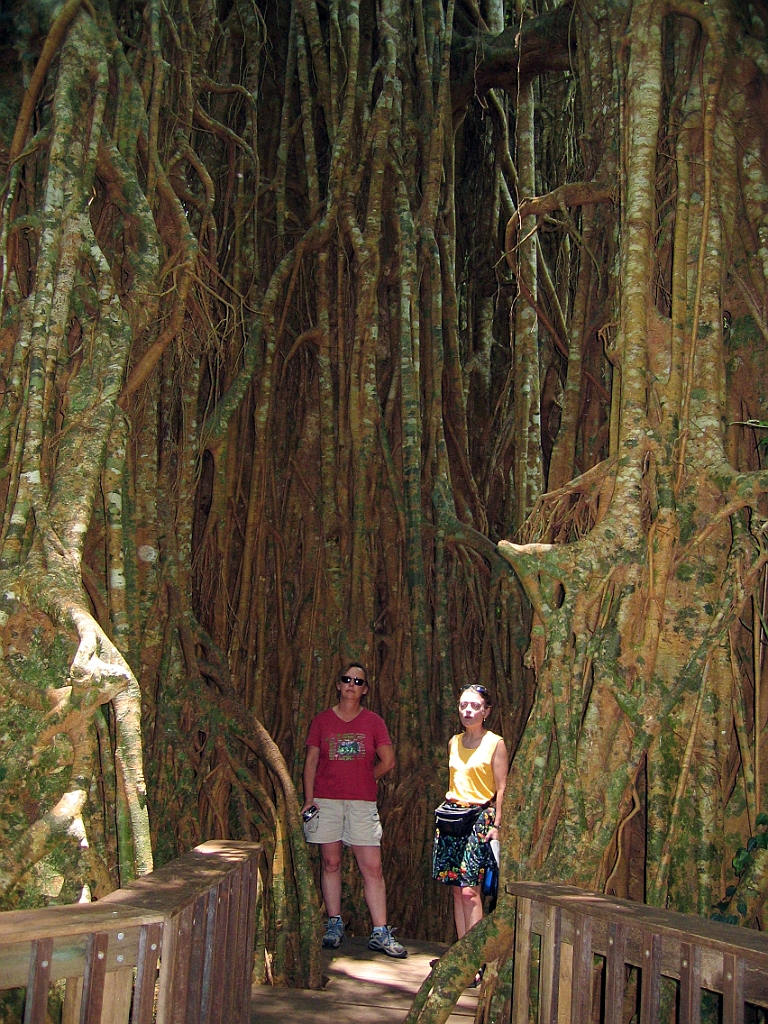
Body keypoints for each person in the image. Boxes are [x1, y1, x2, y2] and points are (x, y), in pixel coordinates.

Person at [302, 661, 407, 958]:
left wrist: (363, 778)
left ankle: (380, 930)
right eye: (346, 679)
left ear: (365, 690)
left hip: (362, 804)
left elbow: (388, 761)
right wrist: (310, 799)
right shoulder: (322, 721)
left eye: (358, 681)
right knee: (330, 863)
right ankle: (334, 923)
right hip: (327, 800)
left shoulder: (373, 722)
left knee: (372, 866)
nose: (352, 684)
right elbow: (311, 762)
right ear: (338, 685)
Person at [433, 684, 508, 949]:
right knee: (456, 889)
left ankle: (474, 957)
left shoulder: (495, 743)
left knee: (470, 892)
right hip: (453, 818)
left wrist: (497, 825)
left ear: (486, 711)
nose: (468, 710)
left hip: (479, 818)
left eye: (475, 706)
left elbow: (501, 788)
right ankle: (460, 952)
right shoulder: (454, 742)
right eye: (464, 705)